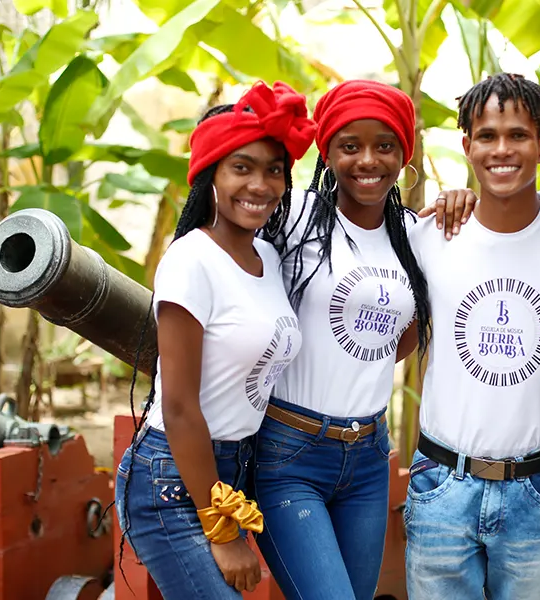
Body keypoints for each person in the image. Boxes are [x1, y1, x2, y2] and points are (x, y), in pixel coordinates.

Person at [251, 79, 475, 600]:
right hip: (289, 453)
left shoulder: (414, 233)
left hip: (370, 460)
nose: (368, 160)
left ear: (404, 154)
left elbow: (401, 338)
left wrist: (461, 200)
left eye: (385, 145)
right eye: (350, 146)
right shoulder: (292, 219)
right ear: (326, 152)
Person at [113, 80, 316, 600]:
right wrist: (220, 527)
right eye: (241, 167)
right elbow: (179, 405)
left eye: (274, 169)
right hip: (173, 476)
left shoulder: (268, 259)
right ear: (211, 176)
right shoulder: (190, 260)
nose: (261, 184)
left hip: (236, 466)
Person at [405, 72, 540, 600]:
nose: (501, 150)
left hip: (536, 488)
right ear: (466, 145)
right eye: (486, 136)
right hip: (441, 483)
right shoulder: (430, 233)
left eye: (518, 135)